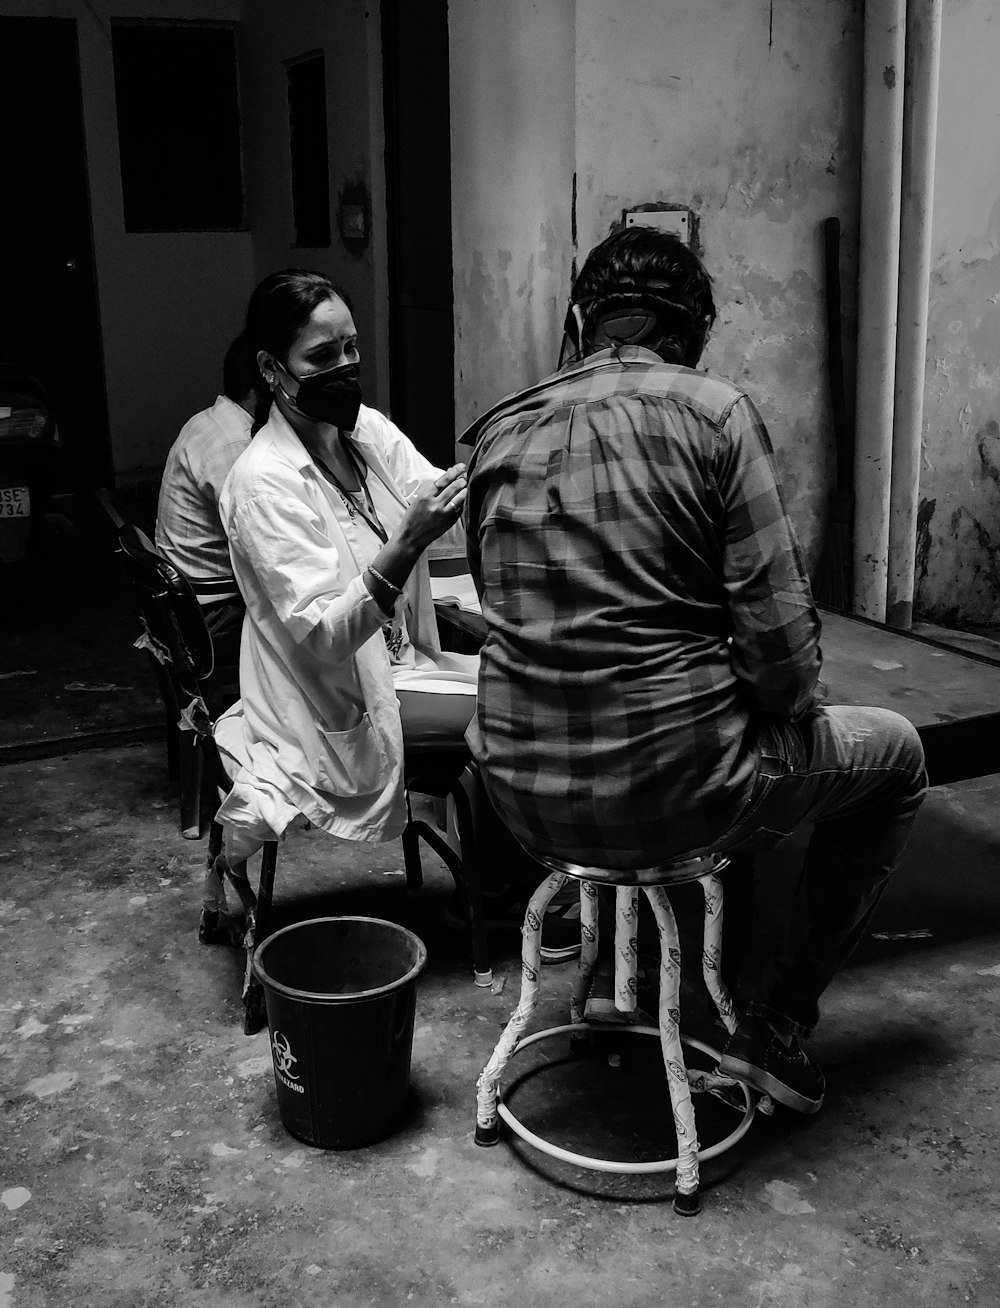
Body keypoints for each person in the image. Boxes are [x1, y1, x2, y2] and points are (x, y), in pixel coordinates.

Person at [461, 226, 927, 1114]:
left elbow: (509, 617)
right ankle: (776, 1027)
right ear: (698, 330)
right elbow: (785, 666)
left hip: (518, 800)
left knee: (650, 733)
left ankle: (614, 971)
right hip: (682, 799)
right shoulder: (715, 412)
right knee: (896, 758)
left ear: (579, 319)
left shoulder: (494, 433)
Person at [212, 269, 478, 864]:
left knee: (528, 678)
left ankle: (498, 884)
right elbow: (327, 635)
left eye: (351, 348)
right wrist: (407, 540)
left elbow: (444, 506)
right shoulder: (263, 483)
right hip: (336, 698)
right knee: (515, 709)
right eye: (321, 355)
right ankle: (500, 893)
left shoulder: (365, 432)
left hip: (401, 662)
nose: (344, 366)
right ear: (270, 368)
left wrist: (501, 474)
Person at [155, 334, 259, 666]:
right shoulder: (237, 444)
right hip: (212, 615)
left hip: (189, 598)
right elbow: (262, 550)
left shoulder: (212, 420)